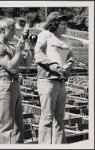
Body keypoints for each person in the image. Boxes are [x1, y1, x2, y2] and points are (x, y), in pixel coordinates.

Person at [0, 18, 35, 144]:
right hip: (6, 85)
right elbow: (11, 66)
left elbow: (27, 63)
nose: (15, 32)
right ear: (2, 30)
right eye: (12, 29)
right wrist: (19, 50)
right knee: (6, 125)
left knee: (18, 125)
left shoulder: (9, 47)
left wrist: (31, 49)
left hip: (14, 85)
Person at [34, 11, 75, 144]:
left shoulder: (66, 40)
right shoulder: (45, 35)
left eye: (66, 24)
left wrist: (68, 65)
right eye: (62, 24)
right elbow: (38, 54)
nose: (65, 26)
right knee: (47, 118)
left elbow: (71, 56)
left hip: (61, 81)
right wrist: (55, 67)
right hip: (47, 80)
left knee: (59, 118)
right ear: (54, 24)